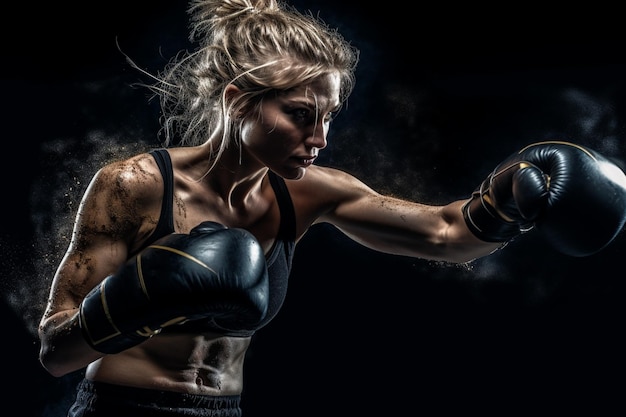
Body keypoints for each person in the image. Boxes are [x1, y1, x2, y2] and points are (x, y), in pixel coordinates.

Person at [38, 0, 626, 416]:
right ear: (238, 101)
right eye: (299, 114)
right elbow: (56, 352)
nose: (319, 137)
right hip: (120, 410)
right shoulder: (134, 185)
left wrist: (503, 206)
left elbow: (447, 233)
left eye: (328, 117)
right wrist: (137, 301)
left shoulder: (310, 191)